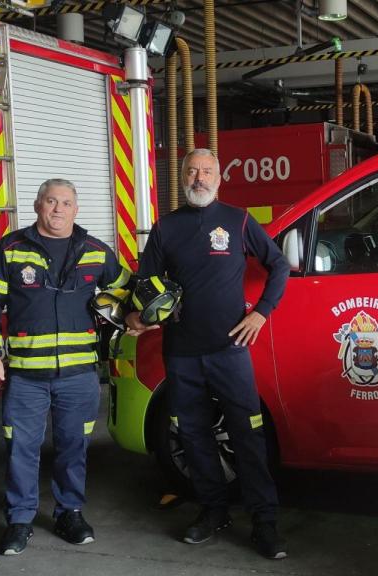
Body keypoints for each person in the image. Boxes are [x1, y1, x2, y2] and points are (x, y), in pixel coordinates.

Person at [125, 149, 291, 560]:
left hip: (230, 351)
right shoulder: (166, 227)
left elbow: (279, 265)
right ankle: (213, 510)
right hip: (181, 354)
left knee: (247, 436)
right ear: (181, 177)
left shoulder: (238, 220)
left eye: (206, 171)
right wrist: (142, 313)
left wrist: (261, 314)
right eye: (191, 171)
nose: (199, 178)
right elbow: (144, 281)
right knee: (195, 436)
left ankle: (264, 521)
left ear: (219, 178)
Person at [0, 178, 130, 556]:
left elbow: (126, 286)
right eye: (51, 201)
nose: (58, 209)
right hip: (26, 375)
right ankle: (19, 519)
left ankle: (70, 512)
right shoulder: (11, 248)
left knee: (73, 447)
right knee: (21, 448)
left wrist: (128, 314)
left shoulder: (95, 250)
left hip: (79, 374)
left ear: (76, 210)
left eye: (65, 203)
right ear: (37, 206)